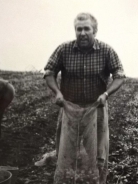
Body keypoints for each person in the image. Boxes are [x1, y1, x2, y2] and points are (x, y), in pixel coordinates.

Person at [43, 13, 125, 183]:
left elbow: (120, 75)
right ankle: (68, 178)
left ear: (94, 31)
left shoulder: (106, 51)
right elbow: (49, 72)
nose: (82, 33)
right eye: (78, 29)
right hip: (70, 108)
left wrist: (106, 94)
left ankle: (96, 179)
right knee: (66, 149)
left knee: (97, 150)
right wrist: (58, 93)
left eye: (86, 29)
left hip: (96, 108)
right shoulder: (64, 49)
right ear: (75, 31)